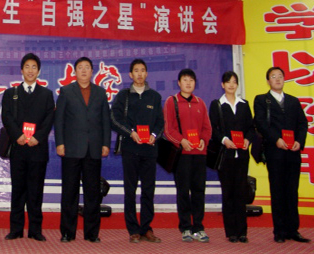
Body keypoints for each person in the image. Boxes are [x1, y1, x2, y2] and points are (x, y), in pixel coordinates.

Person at [54, 57, 111, 243]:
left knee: (92, 193)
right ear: (75, 72)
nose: (84, 70)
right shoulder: (66, 91)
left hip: (93, 149)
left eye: (87, 67)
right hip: (71, 149)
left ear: (92, 71)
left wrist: (105, 144)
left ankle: (92, 233)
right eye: (80, 67)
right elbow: (59, 120)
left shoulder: (100, 93)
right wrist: (60, 143)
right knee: (69, 192)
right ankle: (67, 232)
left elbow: (105, 120)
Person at [2, 53, 55, 242]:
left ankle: (35, 229)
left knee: (36, 191)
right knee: (18, 190)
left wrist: (37, 138)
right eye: (27, 67)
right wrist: (18, 135)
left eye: (34, 67)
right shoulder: (11, 94)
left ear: (38, 71)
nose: (30, 70)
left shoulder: (47, 94)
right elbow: (6, 117)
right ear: (21, 70)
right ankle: (16, 229)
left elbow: (49, 119)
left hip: (37, 149)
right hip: (18, 148)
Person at [110, 59, 164, 243]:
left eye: (142, 70)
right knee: (130, 190)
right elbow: (114, 119)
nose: (139, 74)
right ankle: (133, 229)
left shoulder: (155, 97)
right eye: (136, 71)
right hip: (130, 149)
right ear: (130, 74)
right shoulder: (123, 96)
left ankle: (146, 228)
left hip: (149, 150)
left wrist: (154, 135)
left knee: (148, 190)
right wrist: (130, 133)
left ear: (146, 74)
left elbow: (161, 122)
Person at [254, 66, 309, 243]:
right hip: (275, 151)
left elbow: (302, 123)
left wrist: (299, 141)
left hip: (293, 152)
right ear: (268, 81)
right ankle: (279, 231)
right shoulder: (262, 100)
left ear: (284, 79)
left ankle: (293, 230)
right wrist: (276, 139)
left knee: (292, 191)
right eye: (273, 76)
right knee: (277, 190)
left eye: (280, 76)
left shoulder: (293, 101)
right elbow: (260, 123)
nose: (277, 79)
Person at [163, 68, 212, 243]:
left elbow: (207, 128)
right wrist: (181, 141)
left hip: (199, 154)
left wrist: (203, 141)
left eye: (191, 80)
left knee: (199, 190)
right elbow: (168, 129)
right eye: (185, 80)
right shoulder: (172, 101)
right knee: (183, 191)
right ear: (179, 83)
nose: (188, 83)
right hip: (182, 154)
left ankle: (198, 227)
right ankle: (185, 227)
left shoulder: (201, 103)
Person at [209, 71, 255, 243]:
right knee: (228, 192)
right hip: (225, 155)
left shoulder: (244, 104)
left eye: (234, 82)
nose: (231, 84)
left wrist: (247, 139)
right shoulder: (217, 105)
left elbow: (251, 128)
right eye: (228, 82)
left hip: (242, 155)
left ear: (237, 85)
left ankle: (242, 231)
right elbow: (213, 129)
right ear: (223, 85)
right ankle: (231, 232)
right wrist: (224, 140)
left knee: (241, 192)